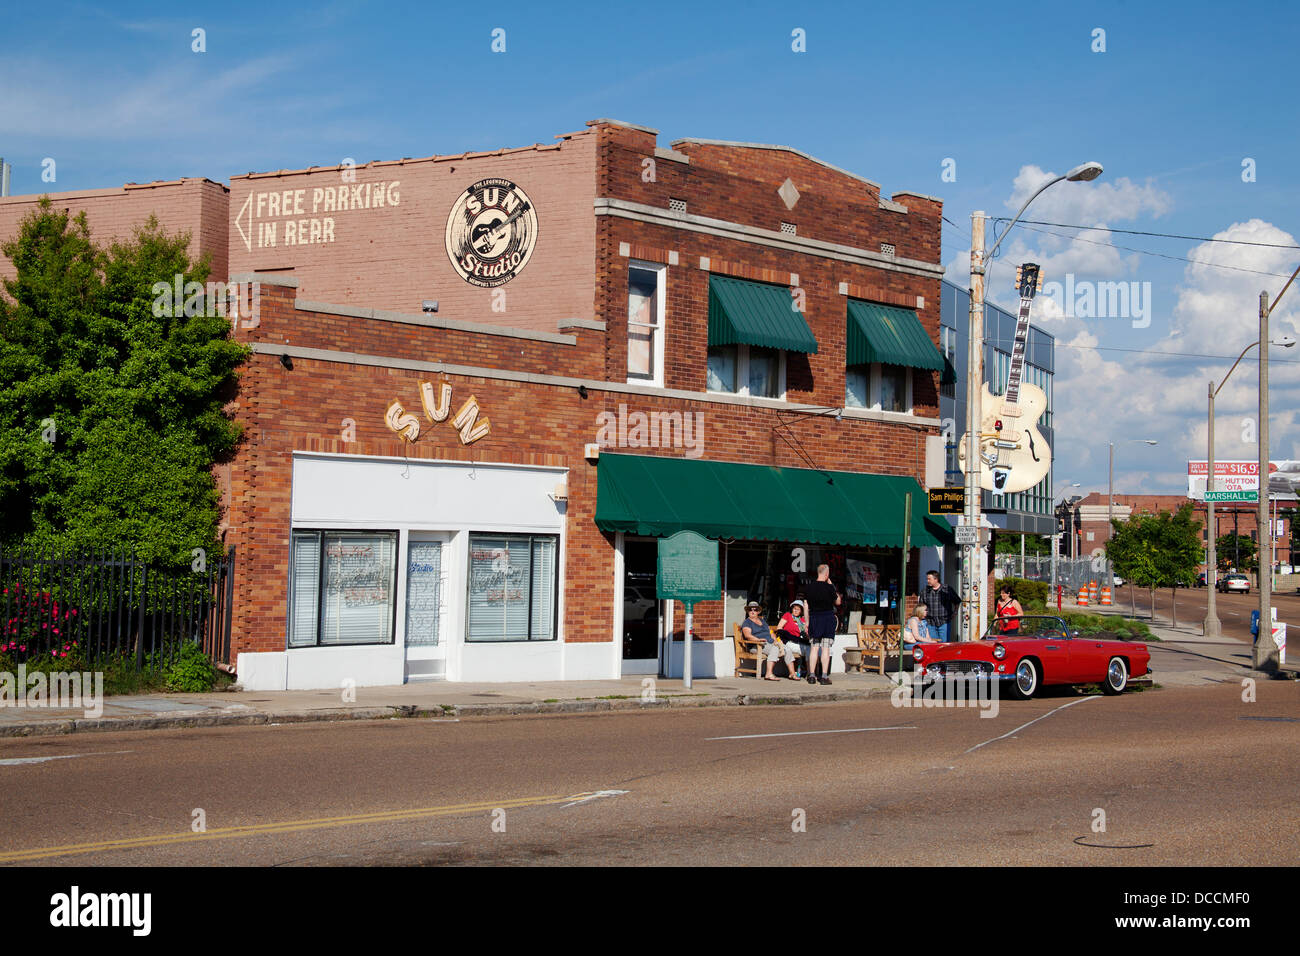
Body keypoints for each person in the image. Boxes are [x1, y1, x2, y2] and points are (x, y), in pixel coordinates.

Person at [803, 565, 841, 685]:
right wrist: (832, 585)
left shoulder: (809, 587)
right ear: (827, 574)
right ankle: (824, 676)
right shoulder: (829, 587)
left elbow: (806, 605)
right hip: (827, 618)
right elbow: (838, 602)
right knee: (826, 648)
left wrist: (807, 622)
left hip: (814, 618)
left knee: (814, 648)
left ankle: (812, 675)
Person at [740, 601, 781, 681]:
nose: (752, 611)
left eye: (755, 610)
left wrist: (776, 640)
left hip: (768, 643)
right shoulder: (747, 622)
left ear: (758, 611)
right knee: (775, 649)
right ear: (747, 611)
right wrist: (758, 640)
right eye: (750, 610)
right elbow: (748, 636)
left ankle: (793, 673)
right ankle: (769, 674)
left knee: (787, 649)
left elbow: (770, 632)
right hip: (756, 646)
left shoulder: (762, 621)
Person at [920, 570, 962, 642]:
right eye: (927, 579)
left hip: (944, 622)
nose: (927, 581)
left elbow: (957, 601)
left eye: (929, 579)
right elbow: (921, 606)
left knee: (944, 643)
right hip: (931, 622)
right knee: (933, 644)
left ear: (936, 579)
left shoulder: (947, 589)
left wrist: (955, 612)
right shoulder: (925, 591)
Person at [775, 599, 810, 680]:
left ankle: (810, 673)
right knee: (808, 650)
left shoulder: (803, 620)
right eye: (794, 608)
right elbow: (779, 628)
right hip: (789, 641)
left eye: (798, 609)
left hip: (800, 641)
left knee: (811, 649)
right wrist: (788, 635)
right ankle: (808, 672)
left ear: (801, 611)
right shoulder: (788, 615)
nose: (795, 610)